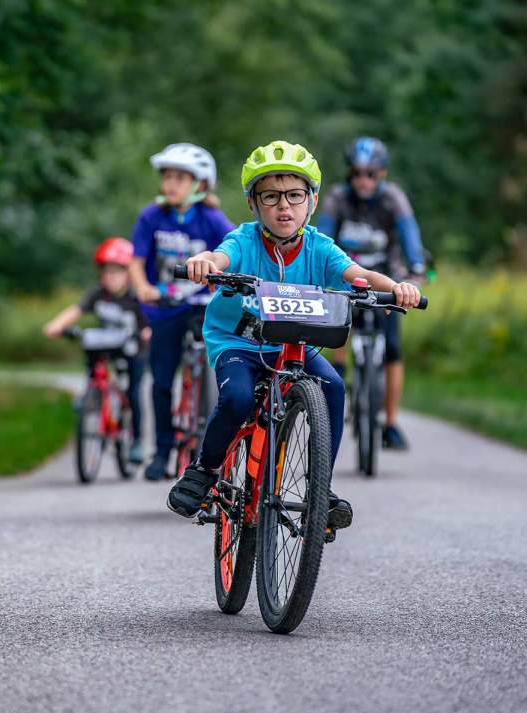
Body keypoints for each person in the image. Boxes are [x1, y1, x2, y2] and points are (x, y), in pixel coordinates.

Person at [165, 140, 422, 524]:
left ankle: (321, 487)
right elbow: (219, 257)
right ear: (253, 203)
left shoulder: (320, 247)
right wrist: (202, 262)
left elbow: (361, 276)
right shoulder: (244, 239)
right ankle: (204, 469)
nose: (284, 206)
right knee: (235, 397)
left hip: (293, 342)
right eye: (270, 196)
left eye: (295, 195)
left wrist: (396, 287)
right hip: (241, 340)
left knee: (333, 387)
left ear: (312, 202)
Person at [128, 143, 235, 480]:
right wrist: (142, 288)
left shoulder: (211, 219)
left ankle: (209, 444)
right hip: (165, 309)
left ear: (199, 185)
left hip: (203, 307)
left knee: (216, 369)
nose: (170, 184)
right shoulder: (151, 217)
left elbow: (234, 251)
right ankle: (161, 450)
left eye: (179, 178)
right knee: (160, 381)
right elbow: (135, 261)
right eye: (167, 177)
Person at [317, 137, 426, 450]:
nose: (363, 181)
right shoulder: (338, 197)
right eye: (357, 174)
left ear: (382, 174)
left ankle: (390, 423)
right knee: (336, 321)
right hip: (346, 277)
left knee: (392, 347)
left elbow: (409, 234)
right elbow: (323, 236)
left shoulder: (393, 199)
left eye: (371, 174)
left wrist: (415, 269)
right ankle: (339, 369)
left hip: (386, 278)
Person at [43, 237, 151, 464]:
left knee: (133, 392)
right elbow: (77, 310)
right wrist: (57, 325)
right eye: (106, 272)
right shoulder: (98, 294)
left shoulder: (134, 296)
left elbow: (150, 320)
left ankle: (138, 441)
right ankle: (91, 393)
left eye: (116, 272)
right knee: (91, 352)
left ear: (127, 274)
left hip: (133, 349)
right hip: (108, 344)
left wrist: (147, 331)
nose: (110, 277)